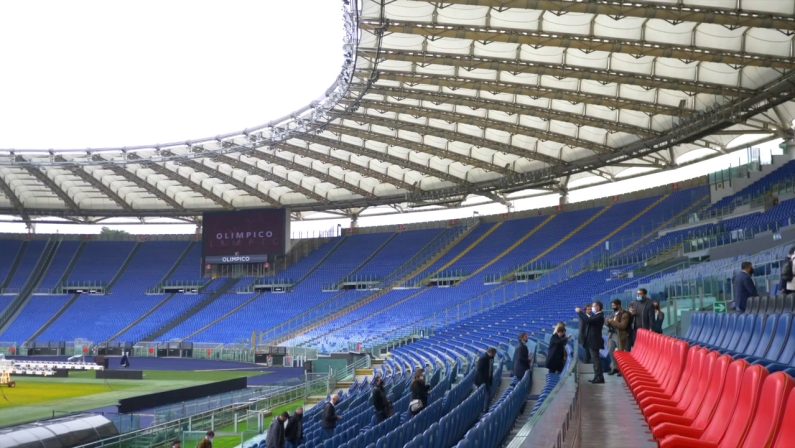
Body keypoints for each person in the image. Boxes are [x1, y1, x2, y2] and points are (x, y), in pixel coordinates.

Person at [577, 301, 605, 384]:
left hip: (594, 341)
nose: (592, 308)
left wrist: (580, 312)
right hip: (592, 341)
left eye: (593, 306)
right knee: (595, 359)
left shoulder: (599, 316)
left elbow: (588, 320)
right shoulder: (596, 315)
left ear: (598, 307)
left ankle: (599, 377)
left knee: (596, 359)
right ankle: (598, 377)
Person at [606, 299, 629, 376]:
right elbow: (607, 321)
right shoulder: (613, 313)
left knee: (621, 353)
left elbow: (622, 326)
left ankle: (622, 370)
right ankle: (614, 368)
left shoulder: (625, 314)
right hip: (611, 334)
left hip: (620, 335)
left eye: (614, 305)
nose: (612, 307)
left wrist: (612, 321)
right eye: (612, 305)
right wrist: (607, 322)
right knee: (611, 351)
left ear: (618, 305)